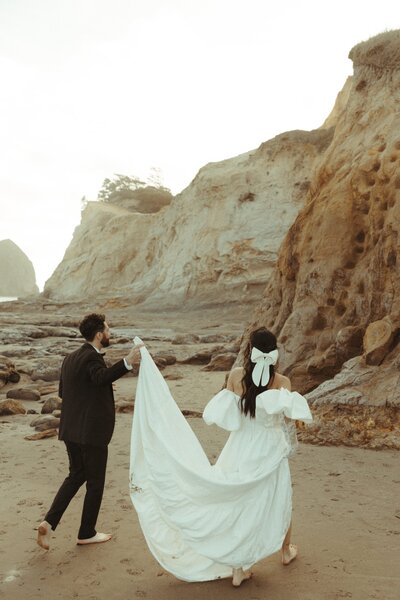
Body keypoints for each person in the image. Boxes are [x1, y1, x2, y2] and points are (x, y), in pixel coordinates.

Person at [129, 327, 313, 586]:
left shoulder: (236, 376)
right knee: (278, 499)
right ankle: (284, 551)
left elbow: (227, 417)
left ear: (250, 351)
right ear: (274, 353)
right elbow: (288, 418)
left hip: (240, 447)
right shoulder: (282, 382)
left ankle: (239, 566)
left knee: (237, 504)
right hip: (269, 449)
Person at [37, 313, 142, 550]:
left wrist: (95, 392)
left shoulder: (70, 358)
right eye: (107, 328)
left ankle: (49, 522)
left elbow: (66, 392)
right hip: (91, 433)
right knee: (95, 483)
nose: (110, 332)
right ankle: (86, 532)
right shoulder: (92, 358)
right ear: (98, 334)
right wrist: (127, 362)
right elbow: (99, 377)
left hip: (70, 431)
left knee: (76, 475)